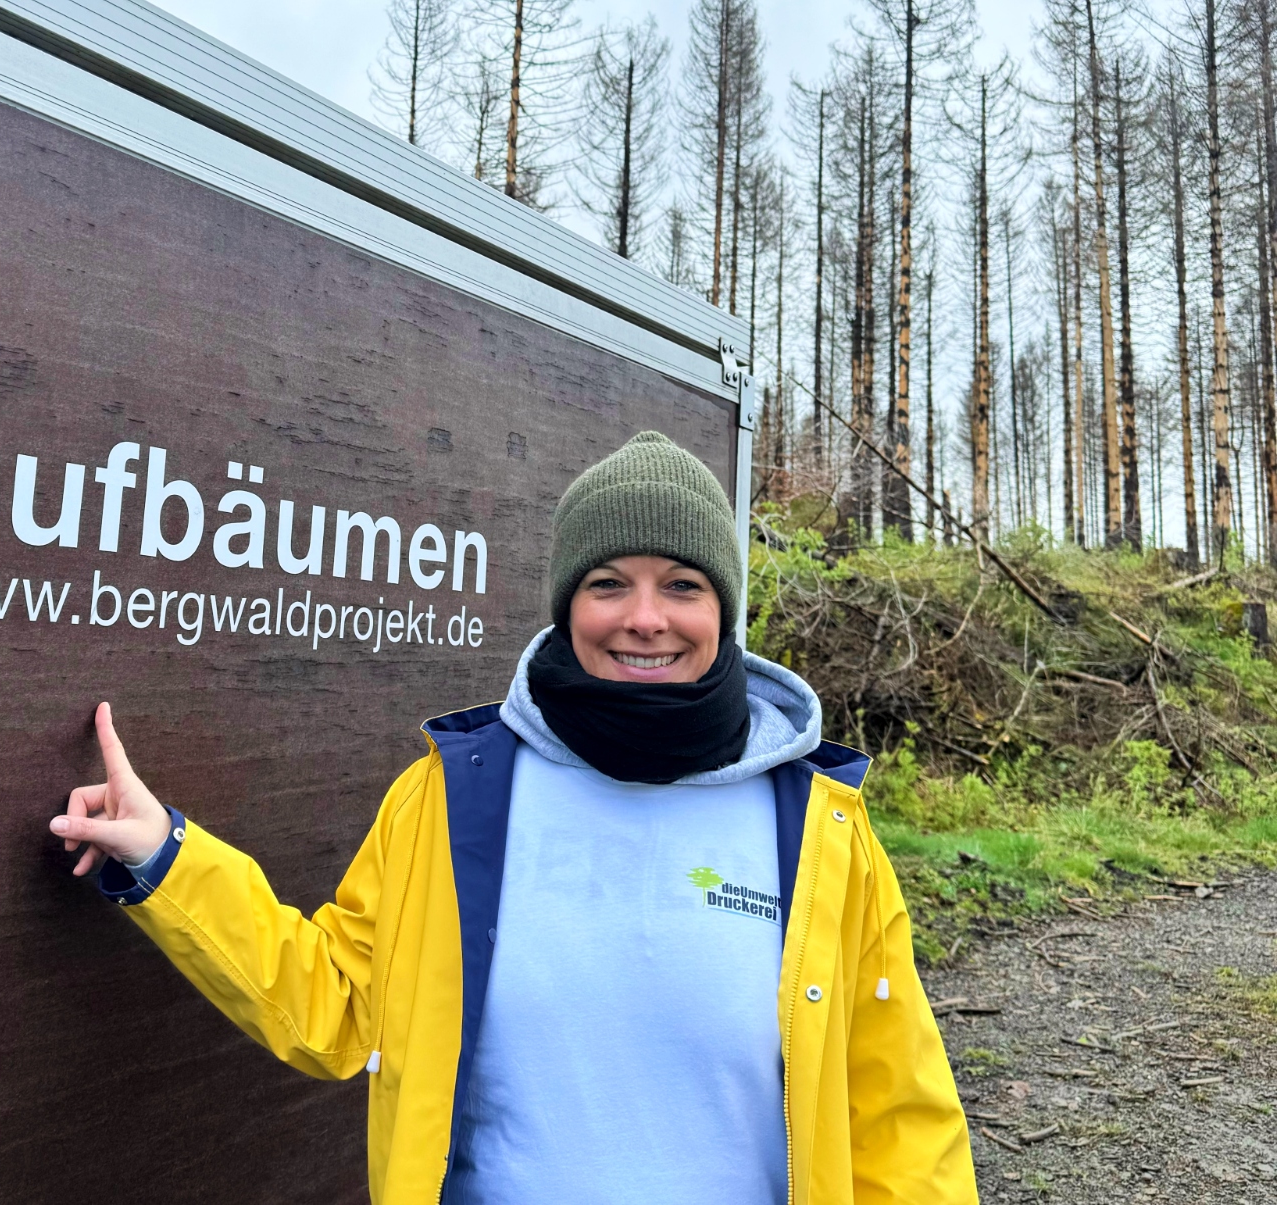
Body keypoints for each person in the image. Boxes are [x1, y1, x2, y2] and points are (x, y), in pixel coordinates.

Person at [49, 431, 977, 1204]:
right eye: (608, 581)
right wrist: (167, 856)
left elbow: (901, 1116)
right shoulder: (459, 794)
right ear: (566, 602)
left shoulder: (815, 824)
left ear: (723, 609)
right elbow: (339, 1003)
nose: (644, 617)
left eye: (683, 585)